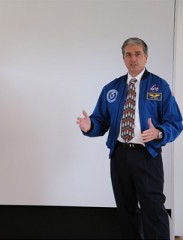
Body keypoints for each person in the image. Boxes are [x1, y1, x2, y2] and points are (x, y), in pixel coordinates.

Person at [76, 37, 182, 239]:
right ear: (123, 58)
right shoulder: (112, 88)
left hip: (147, 156)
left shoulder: (159, 86)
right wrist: (90, 126)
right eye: (128, 54)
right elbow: (100, 120)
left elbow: (175, 122)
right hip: (120, 156)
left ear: (146, 57)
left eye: (138, 54)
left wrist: (159, 132)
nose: (133, 58)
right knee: (126, 210)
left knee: (153, 209)